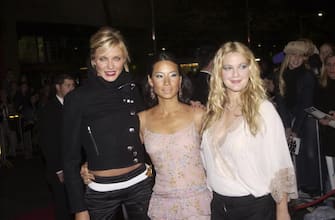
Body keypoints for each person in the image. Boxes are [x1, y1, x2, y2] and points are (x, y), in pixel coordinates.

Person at [82, 52, 212, 219]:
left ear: (180, 80)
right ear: (151, 81)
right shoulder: (141, 120)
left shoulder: (198, 115)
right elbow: (119, 151)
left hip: (198, 205)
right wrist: (90, 164)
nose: (166, 82)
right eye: (159, 76)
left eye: (172, 75)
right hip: (162, 206)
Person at [62, 26, 153, 220]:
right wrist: (79, 208)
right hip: (101, 191)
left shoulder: (133, 90)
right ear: (94, 61)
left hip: (140, 185)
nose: (110, 65)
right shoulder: (77, 99)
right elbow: (69, 158)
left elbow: (154, 123)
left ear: (124, 60)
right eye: (103, 58)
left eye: (117, 58)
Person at [200, 41, 298, 220]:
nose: (235, 74)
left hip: (254, 207)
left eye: (242, 66)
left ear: (250, 70)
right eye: (228, 68)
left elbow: (280, 164)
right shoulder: (214, 110)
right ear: (219, 73)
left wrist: (282, 210)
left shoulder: (263, 110)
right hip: (218, 205)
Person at [276, 40, 319, 195]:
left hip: (306, 118)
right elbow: (280, 103)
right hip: (289, 116)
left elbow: (305, 104)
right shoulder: (280, 75)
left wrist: (294, 129)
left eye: (300, 56)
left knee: (309, 152)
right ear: (287, 56)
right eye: (293, 55)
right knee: (294, 152)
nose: (296, 59)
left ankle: (313, 188)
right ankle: (299, 186)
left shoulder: (307, 75)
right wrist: (287, 126)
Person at [38, 73, 76, 220]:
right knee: (62, 205)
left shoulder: (73, 105)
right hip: (59, 167)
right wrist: (59, 170)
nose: (72, 89)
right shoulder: (50, 109)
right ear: (58, 87)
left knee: (75, 203)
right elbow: (48, 142)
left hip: (73, 164)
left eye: (73, 85)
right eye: (68, 85)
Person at [315, 54, 335, 190]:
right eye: (328, 64)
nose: (332, 68)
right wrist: (320, 117)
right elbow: (316, 107)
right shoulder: (321, 85)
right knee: (330, 173)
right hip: (327, 134)